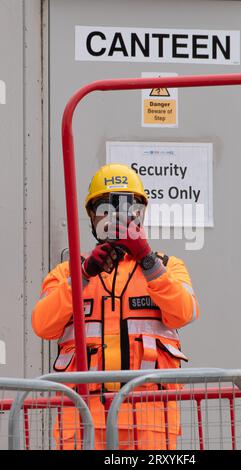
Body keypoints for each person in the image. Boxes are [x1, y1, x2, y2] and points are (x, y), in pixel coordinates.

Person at [32, 163, 199, 450]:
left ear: (140, 213)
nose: (116, 218)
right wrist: (83, 274)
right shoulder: (66, 273)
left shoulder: (167, 267)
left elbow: (184, 312)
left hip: (150, 422)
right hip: (84, 422)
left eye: (126, 207)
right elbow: (43, 325)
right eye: (105, 209)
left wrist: (146, 258)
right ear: (91, 215)